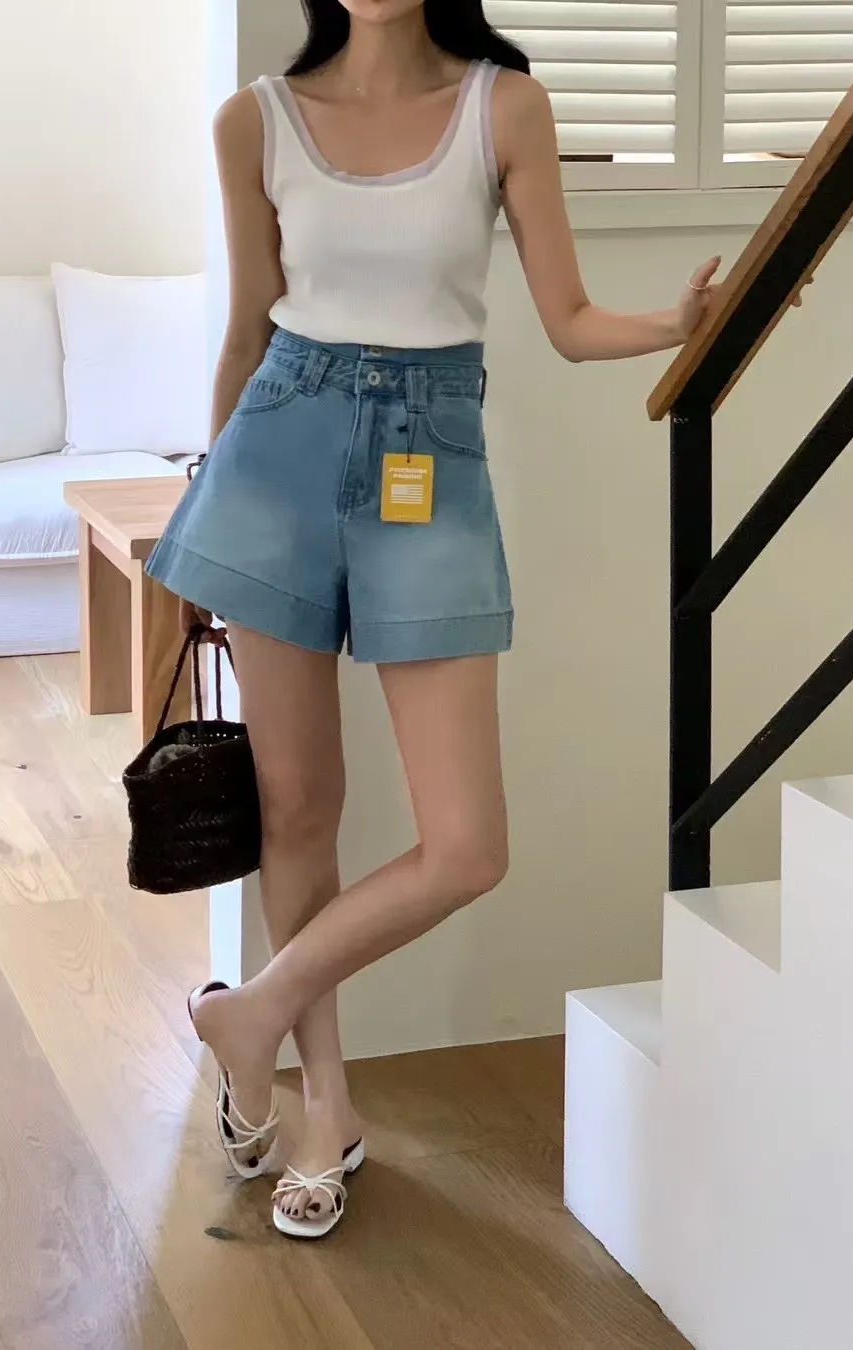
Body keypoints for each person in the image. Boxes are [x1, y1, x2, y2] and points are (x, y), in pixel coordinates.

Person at [147, 0, 721, 1240]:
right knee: (299, 809)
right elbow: (247, 326)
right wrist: (210, 513)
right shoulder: (254, 121)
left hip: (430, 461)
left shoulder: (503, 106)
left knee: (466, 845)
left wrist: (679, 326)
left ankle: (250, 1012)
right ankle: (324, 1110)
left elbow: (568, 321)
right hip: (273, 459)